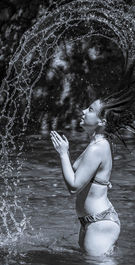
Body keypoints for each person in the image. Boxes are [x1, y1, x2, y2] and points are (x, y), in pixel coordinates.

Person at [50, 99, 121, 256]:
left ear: (102, 121)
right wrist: (66, 153)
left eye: (89, 109)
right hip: (93, 222)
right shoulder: (99, 143)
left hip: (99, 224)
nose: (83, 111)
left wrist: (63, 154)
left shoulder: (98, 147)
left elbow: (74, 187)